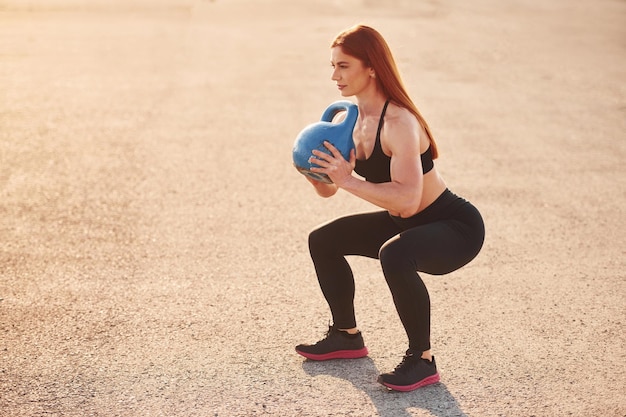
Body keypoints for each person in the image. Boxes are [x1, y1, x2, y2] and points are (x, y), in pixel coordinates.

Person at [294, 24, 485, 392]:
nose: (334, 75)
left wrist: (349, 180)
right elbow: (328, 193)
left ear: (372, 68)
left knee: (394, 253)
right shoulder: (352, 122)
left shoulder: (399, 122)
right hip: (408, 220)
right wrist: (317, 175)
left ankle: (422, 360)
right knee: (323, 240)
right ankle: (346, 335)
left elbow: (408, 200)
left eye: (344, 66)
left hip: (454, 226)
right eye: (332, 66)